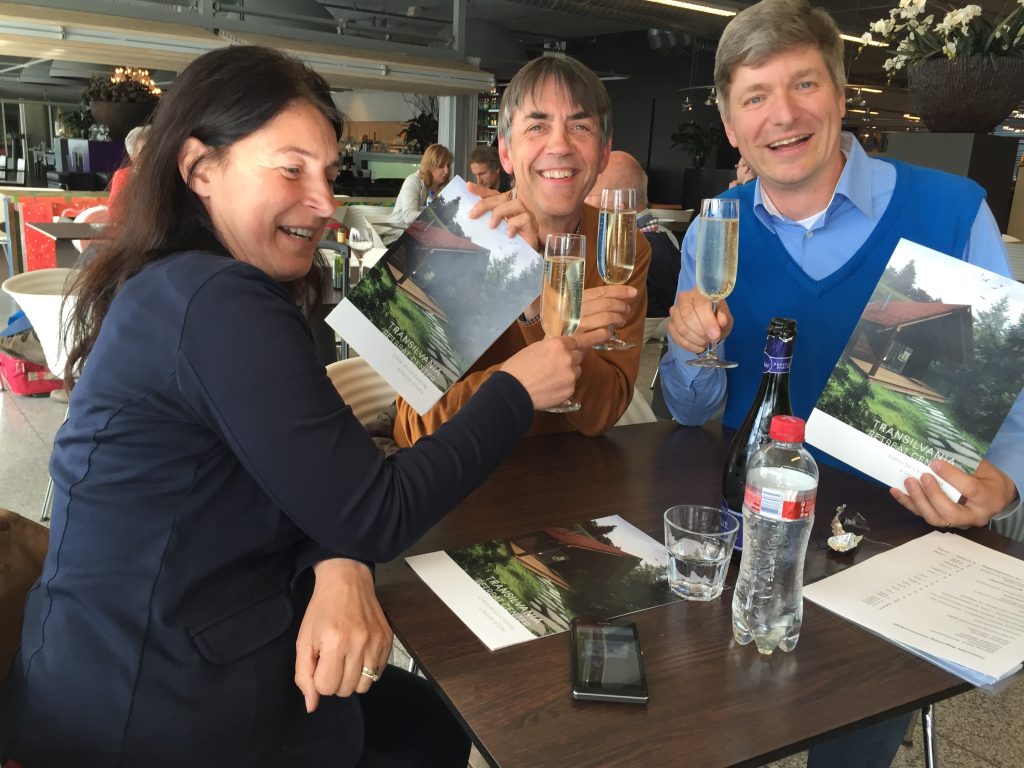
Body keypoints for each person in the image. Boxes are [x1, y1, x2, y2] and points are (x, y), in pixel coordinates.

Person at [0, 45, 583, 767]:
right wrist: (518, 391)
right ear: (200, 168)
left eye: (328, 174)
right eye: (290, 168)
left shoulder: (183, 279)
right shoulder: (215, 300)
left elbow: (320, 445)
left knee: (429, 720)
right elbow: (374, 510)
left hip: (124, 662)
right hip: (147, 709)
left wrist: (466, 252)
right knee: (438, 725)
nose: (323, 201)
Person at [659, 0, 1022, 765]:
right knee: (692, 731)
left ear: (841, 94)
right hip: (750, 536)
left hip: (897, 541)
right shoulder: (715, 228)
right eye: (754, 97)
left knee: (849, 742)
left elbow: (1012, 388)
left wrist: (1008, 483)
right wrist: (690, 348)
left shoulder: (950, 214)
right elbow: (691, 412)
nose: (782, 115)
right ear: (731, 125)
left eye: (803, 85)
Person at [393, 54, 651, 448]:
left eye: (579, 126)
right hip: (458, 484)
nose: (560, 145)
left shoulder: (621, 243)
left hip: (572, 484)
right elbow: (415, 426)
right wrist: (519, 382)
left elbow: (604, 412)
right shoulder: (452, 233)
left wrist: (538, 298)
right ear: (506, 153)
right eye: (537, 126)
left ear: (603, 154)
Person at [584, 150, 679, 317]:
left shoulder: (647, 248)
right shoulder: (660, 241)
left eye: (589, 193)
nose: (582, 202)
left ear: (618, 205)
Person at [385, 143, 452, 231]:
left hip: (420, 238)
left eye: (448, 165)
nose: (446, 171)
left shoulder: (444, 189)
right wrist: (437, 220)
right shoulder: (413, 181)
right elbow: (409, 216)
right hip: (397, 237)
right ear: (429, 165)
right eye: (441, 165)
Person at [107, 124, 149, 210]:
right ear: (133, 156)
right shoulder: (123, 176)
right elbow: (115, 212)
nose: (151, 154)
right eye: (145, 150)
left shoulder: (169, 173)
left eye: (154, 147)